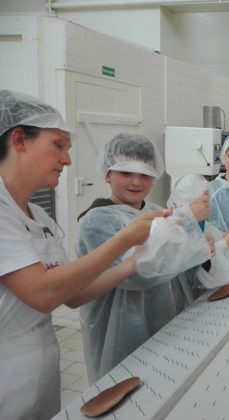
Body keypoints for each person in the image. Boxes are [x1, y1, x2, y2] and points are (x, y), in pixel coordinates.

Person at [0, 90, 165, 419]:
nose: (67, 160)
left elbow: (72, 295)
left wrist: (133, 263)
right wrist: (124, 241)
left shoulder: (38, 216)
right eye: (59, 145)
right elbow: (43, 293)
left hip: (41, 368)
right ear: (19, 140)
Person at [76, 133, 211, 383]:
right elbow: (137, 275)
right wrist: (186, 220)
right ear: (107, 174)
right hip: (121, 330)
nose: (136, 182)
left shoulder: (155, 211)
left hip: (165, 320)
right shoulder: (97, 221)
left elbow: (175, 265)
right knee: (125, 390)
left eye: (145, 174)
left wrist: (204, 247)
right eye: (126, 173)